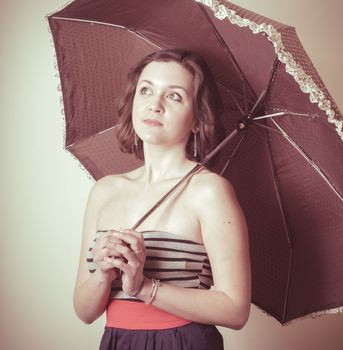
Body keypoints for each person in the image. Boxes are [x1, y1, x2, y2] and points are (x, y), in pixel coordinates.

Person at [73, 48, 251, 350]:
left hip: (183, 342)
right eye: (146, 90)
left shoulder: (209, 191)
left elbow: (235, 310)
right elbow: (84, 311)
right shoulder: (104, 191)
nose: (154, 105)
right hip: (117, 342)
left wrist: (143, 287)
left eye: (174, 96)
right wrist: (102, 275)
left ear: (197, 118)